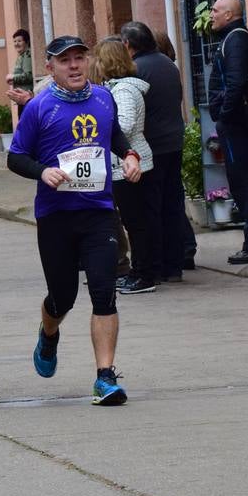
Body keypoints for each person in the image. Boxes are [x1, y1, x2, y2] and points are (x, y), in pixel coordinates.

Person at [6, 36, 142, 406]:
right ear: (50, 67)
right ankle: (48, 333)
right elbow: (16, 157)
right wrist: (43, 172)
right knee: (63, 296)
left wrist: (129, 155)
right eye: (65, 61)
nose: (75, 66)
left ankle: (105, 377)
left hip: (99, 212)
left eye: (80, 58)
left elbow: (115, 136)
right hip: (56, 216)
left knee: (104, 291)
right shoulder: (39, 107)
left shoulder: (103, 97)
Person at [89, 39, 158, 295]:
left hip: (131, 164)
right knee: (133, 220)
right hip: (122, 164)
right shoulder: (115, 88)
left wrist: (98, 129)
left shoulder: (124, 90)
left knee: (136, 222)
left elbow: (125, 126)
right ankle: (139, 271)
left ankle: (144, 274)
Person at [119, 21, 186, 285]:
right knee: (172, 204)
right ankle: (174, 265)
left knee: (150, 209)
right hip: (173, 142)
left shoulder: (137, 70)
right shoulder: (167, 64)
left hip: (151, 148)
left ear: (127, 45)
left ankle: (154, 266)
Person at [208, 0, 248, 264]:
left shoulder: (236, 40)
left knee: (244, 181)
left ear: (229, 14)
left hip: (237, 122)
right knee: (242, 181)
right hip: (236, 120)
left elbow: (235, 82)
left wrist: (224, 115)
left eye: (215, 10)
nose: (211, 14)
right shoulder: (233, 38)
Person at [155, 29, 198, 270]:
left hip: (161, 143)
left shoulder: (153, 70)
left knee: (167, 200)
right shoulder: (171, 68)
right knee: (174, 196)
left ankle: (182, 248)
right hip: (174, 137)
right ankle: (186, 246)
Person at [6, 29, 34, 114]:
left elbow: (29, 76)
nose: (16, 44)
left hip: (27, 99)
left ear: (26, 42)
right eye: (14, 41)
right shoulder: (21, 56)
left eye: (19, 41)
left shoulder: (27, 55)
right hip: (22, 100)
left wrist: (13, 77)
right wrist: (13, 80)